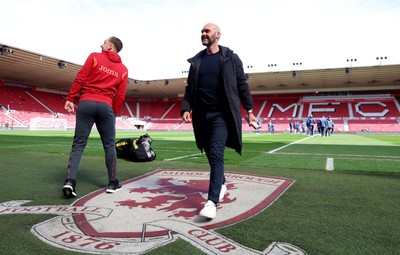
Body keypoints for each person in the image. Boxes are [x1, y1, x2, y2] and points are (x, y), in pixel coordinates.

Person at [181, 23, 257, 219]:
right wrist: (186, 107)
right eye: (202, 32)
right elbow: (190, 88)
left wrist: (249, 110)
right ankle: (221, 183)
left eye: (207, 31)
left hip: (222, 115)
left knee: (216, 152)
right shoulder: (197, 60)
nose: (203, 34)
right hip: (201, 115)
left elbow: (242, 84)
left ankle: (212, 202)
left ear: (218, 34)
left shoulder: (231, 58)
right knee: (208, 151)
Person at [62, 36, 128, 198]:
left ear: (110, 46)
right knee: (109, 145)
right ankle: (113, 182)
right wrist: (114, 112)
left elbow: (81, 77)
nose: (101, 44)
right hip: (106, 107)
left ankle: (70, 181)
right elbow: (120, 95)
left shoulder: (94, 57)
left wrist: (70, 98)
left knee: (78, 144)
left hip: (86, 103)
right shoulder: (123, 70)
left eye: (104, 42)